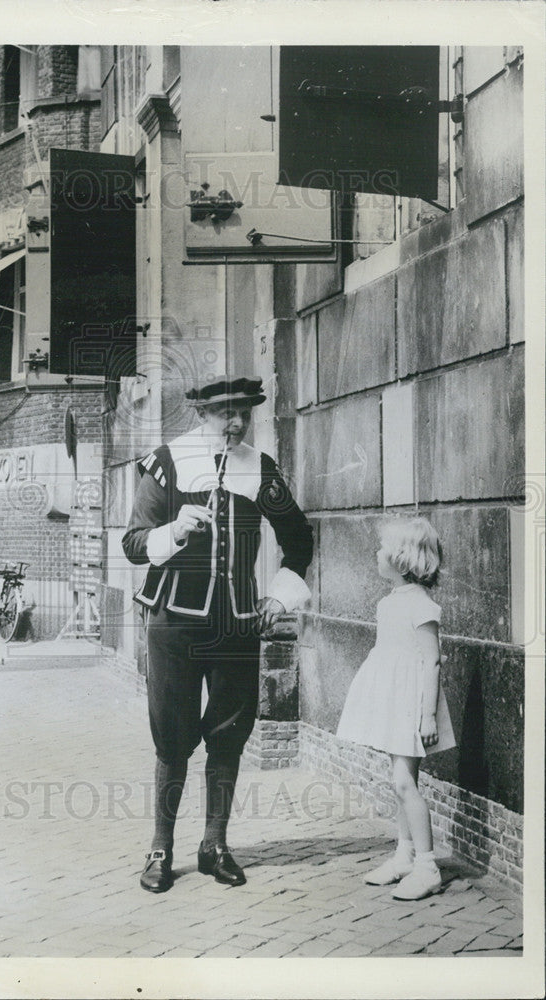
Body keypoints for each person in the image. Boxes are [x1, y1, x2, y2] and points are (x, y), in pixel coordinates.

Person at [123, 375, 313, 893]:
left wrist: (279, 595)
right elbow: (133, 543)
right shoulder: (166, 463)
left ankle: (214, 845)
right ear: (201, 416)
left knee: (229, 734)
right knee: (172, 739)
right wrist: (173, 528)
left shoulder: (260, 469)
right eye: (224, 412)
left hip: (236, 625)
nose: (235, 422)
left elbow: (298, 538)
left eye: (243, 413)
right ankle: (161, 849)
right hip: (174, 623)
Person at [336, 517, 456, 901]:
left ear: (402, 558)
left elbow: (432, 661)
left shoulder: (422, 605)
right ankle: (404, 854)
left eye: (381, 548)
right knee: (401, 782)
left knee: (404, 783)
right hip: (393, 700)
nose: (375, 554)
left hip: (411, 705)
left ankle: (427, 865)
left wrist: (426, 715)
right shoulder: (389, 602)